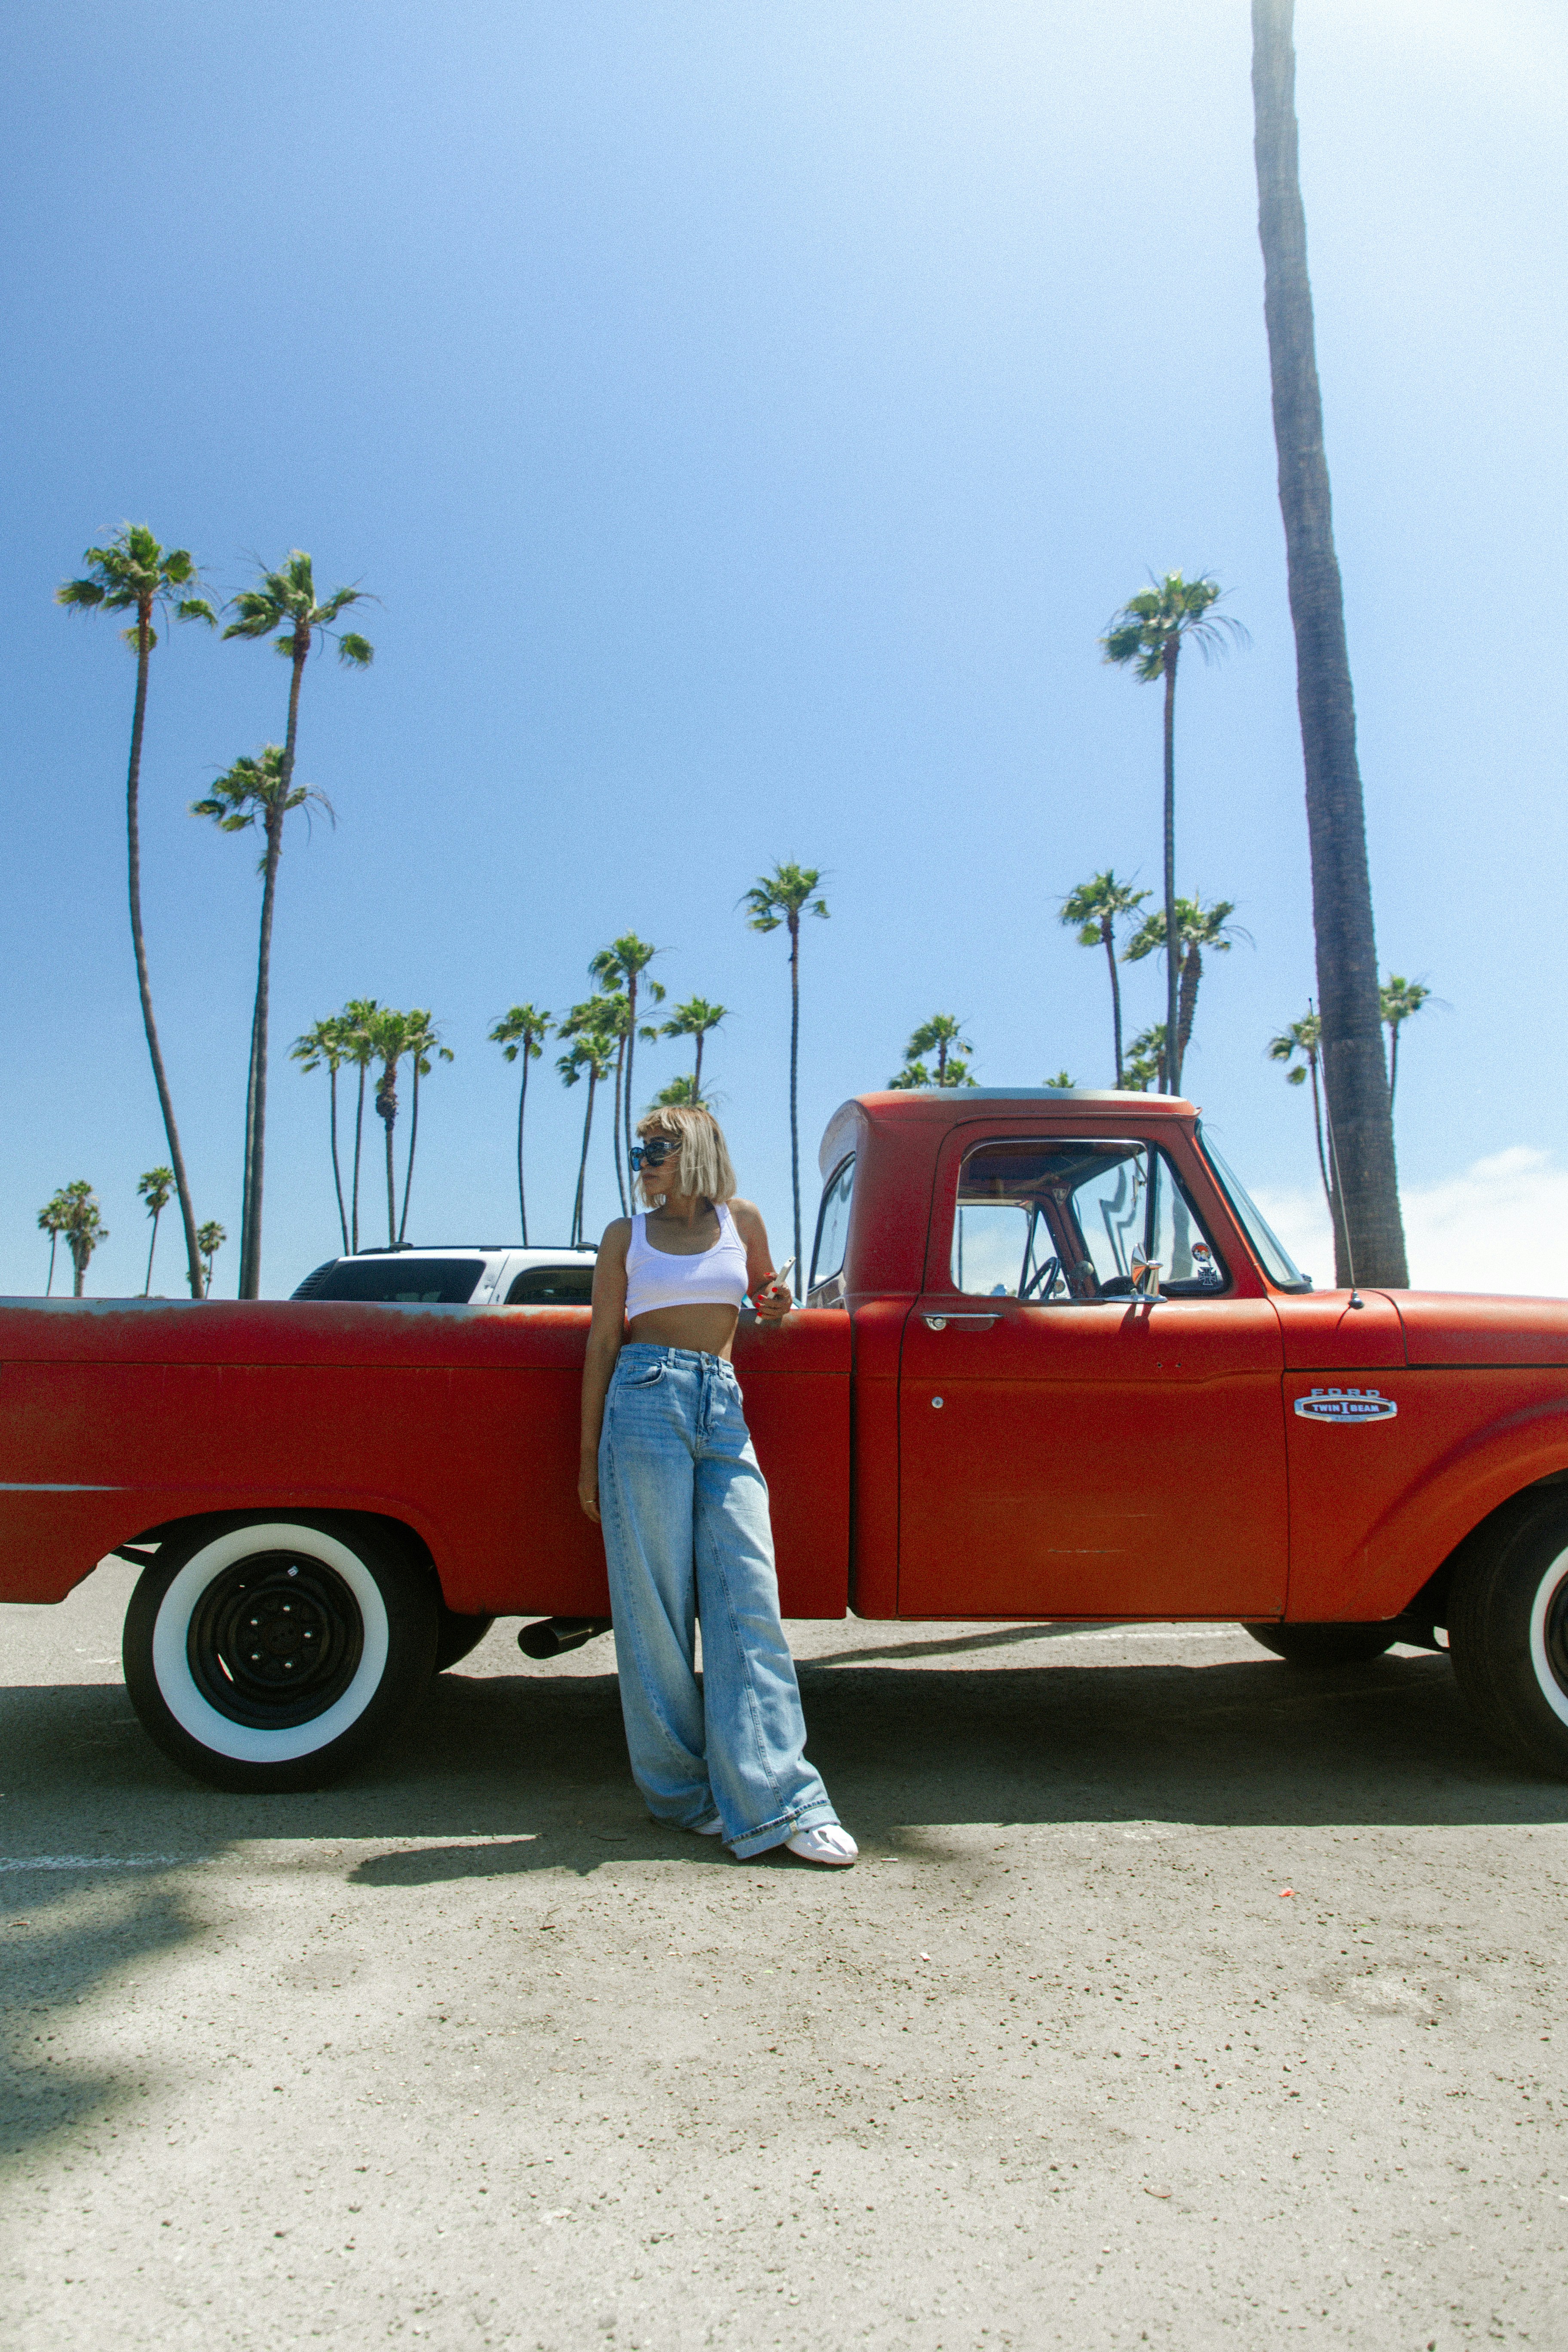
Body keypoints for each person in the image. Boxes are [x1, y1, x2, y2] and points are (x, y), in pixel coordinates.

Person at [578, 1103, 855, 1867]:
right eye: (639, 1149)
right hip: (642, 1402)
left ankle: (784, 1799)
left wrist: (775, 1303)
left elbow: (767, 1299)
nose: (645, 1159)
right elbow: (603, 1341)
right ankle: (682, 1797)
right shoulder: (624, 1237)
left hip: (723, 1402)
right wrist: (585, 1454)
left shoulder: (743, 1218)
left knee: (748, 1597)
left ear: (695, 1148)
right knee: (656, 1615)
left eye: (659, 1147)